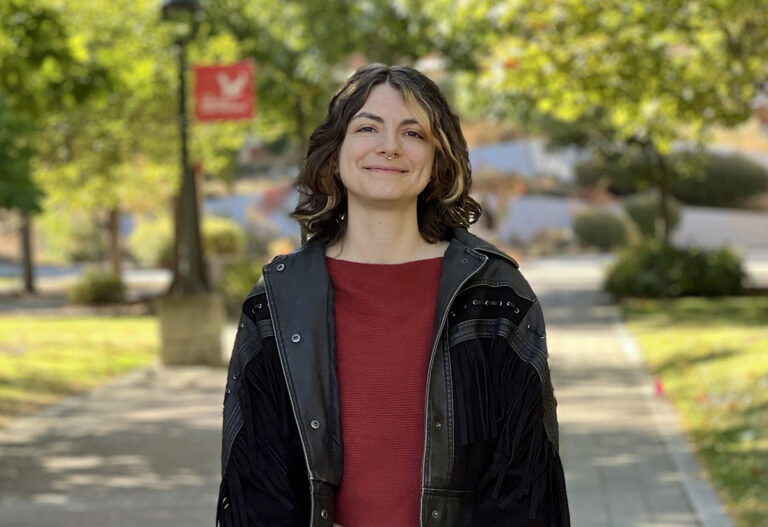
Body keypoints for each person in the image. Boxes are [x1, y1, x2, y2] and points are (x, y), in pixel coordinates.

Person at [216, 64, 569, 527]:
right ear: (335, 153)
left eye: (413, 133)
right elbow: (255, 484)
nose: (389, 146)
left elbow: (525, 480)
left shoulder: (495, 292)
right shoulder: (278, 301)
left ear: (438, 159)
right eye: (367, 128)